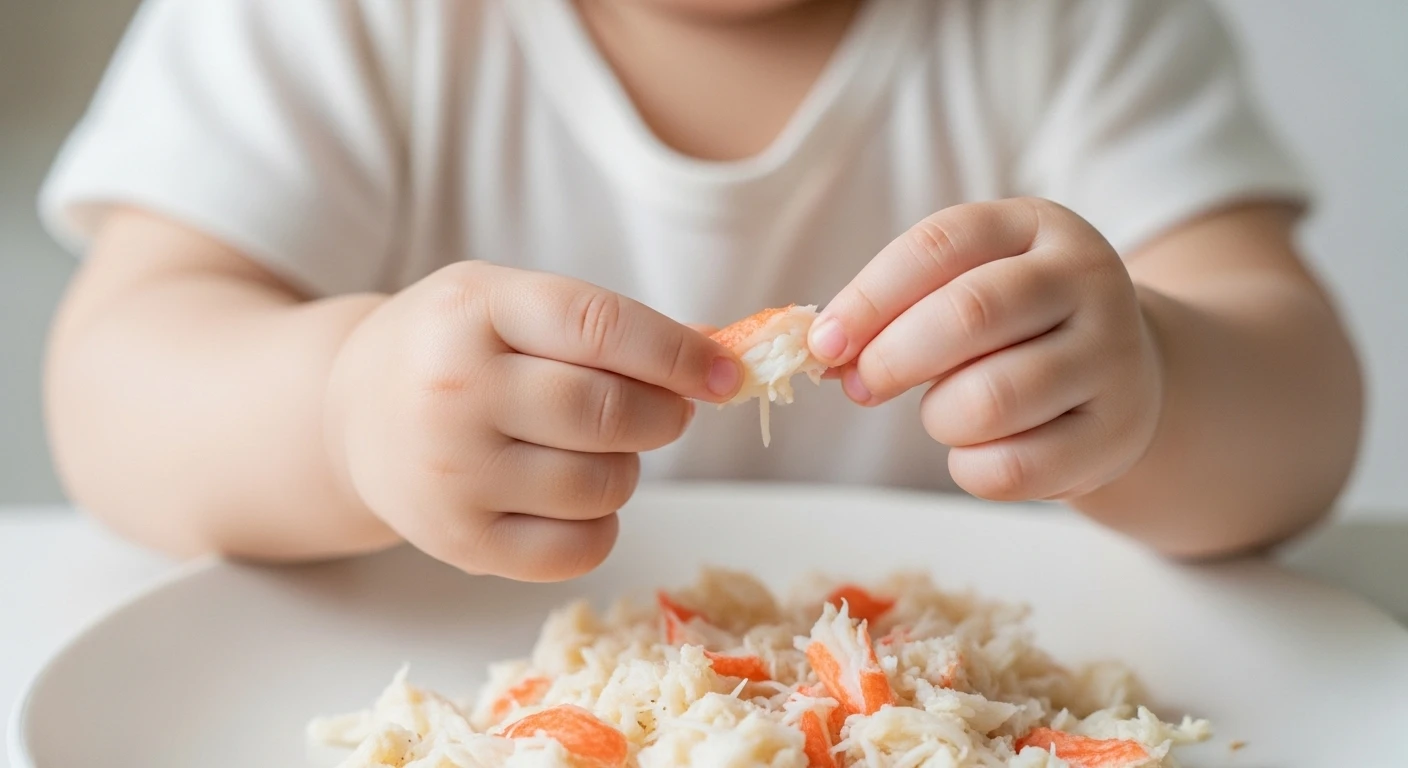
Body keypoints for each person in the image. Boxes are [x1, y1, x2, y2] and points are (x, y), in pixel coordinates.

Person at [40, 0, 1362, 582]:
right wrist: (339, 411)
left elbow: (1302, 407)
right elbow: (116, 380)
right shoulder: (326, 22)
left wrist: (1159, 383)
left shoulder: (1075, 24)